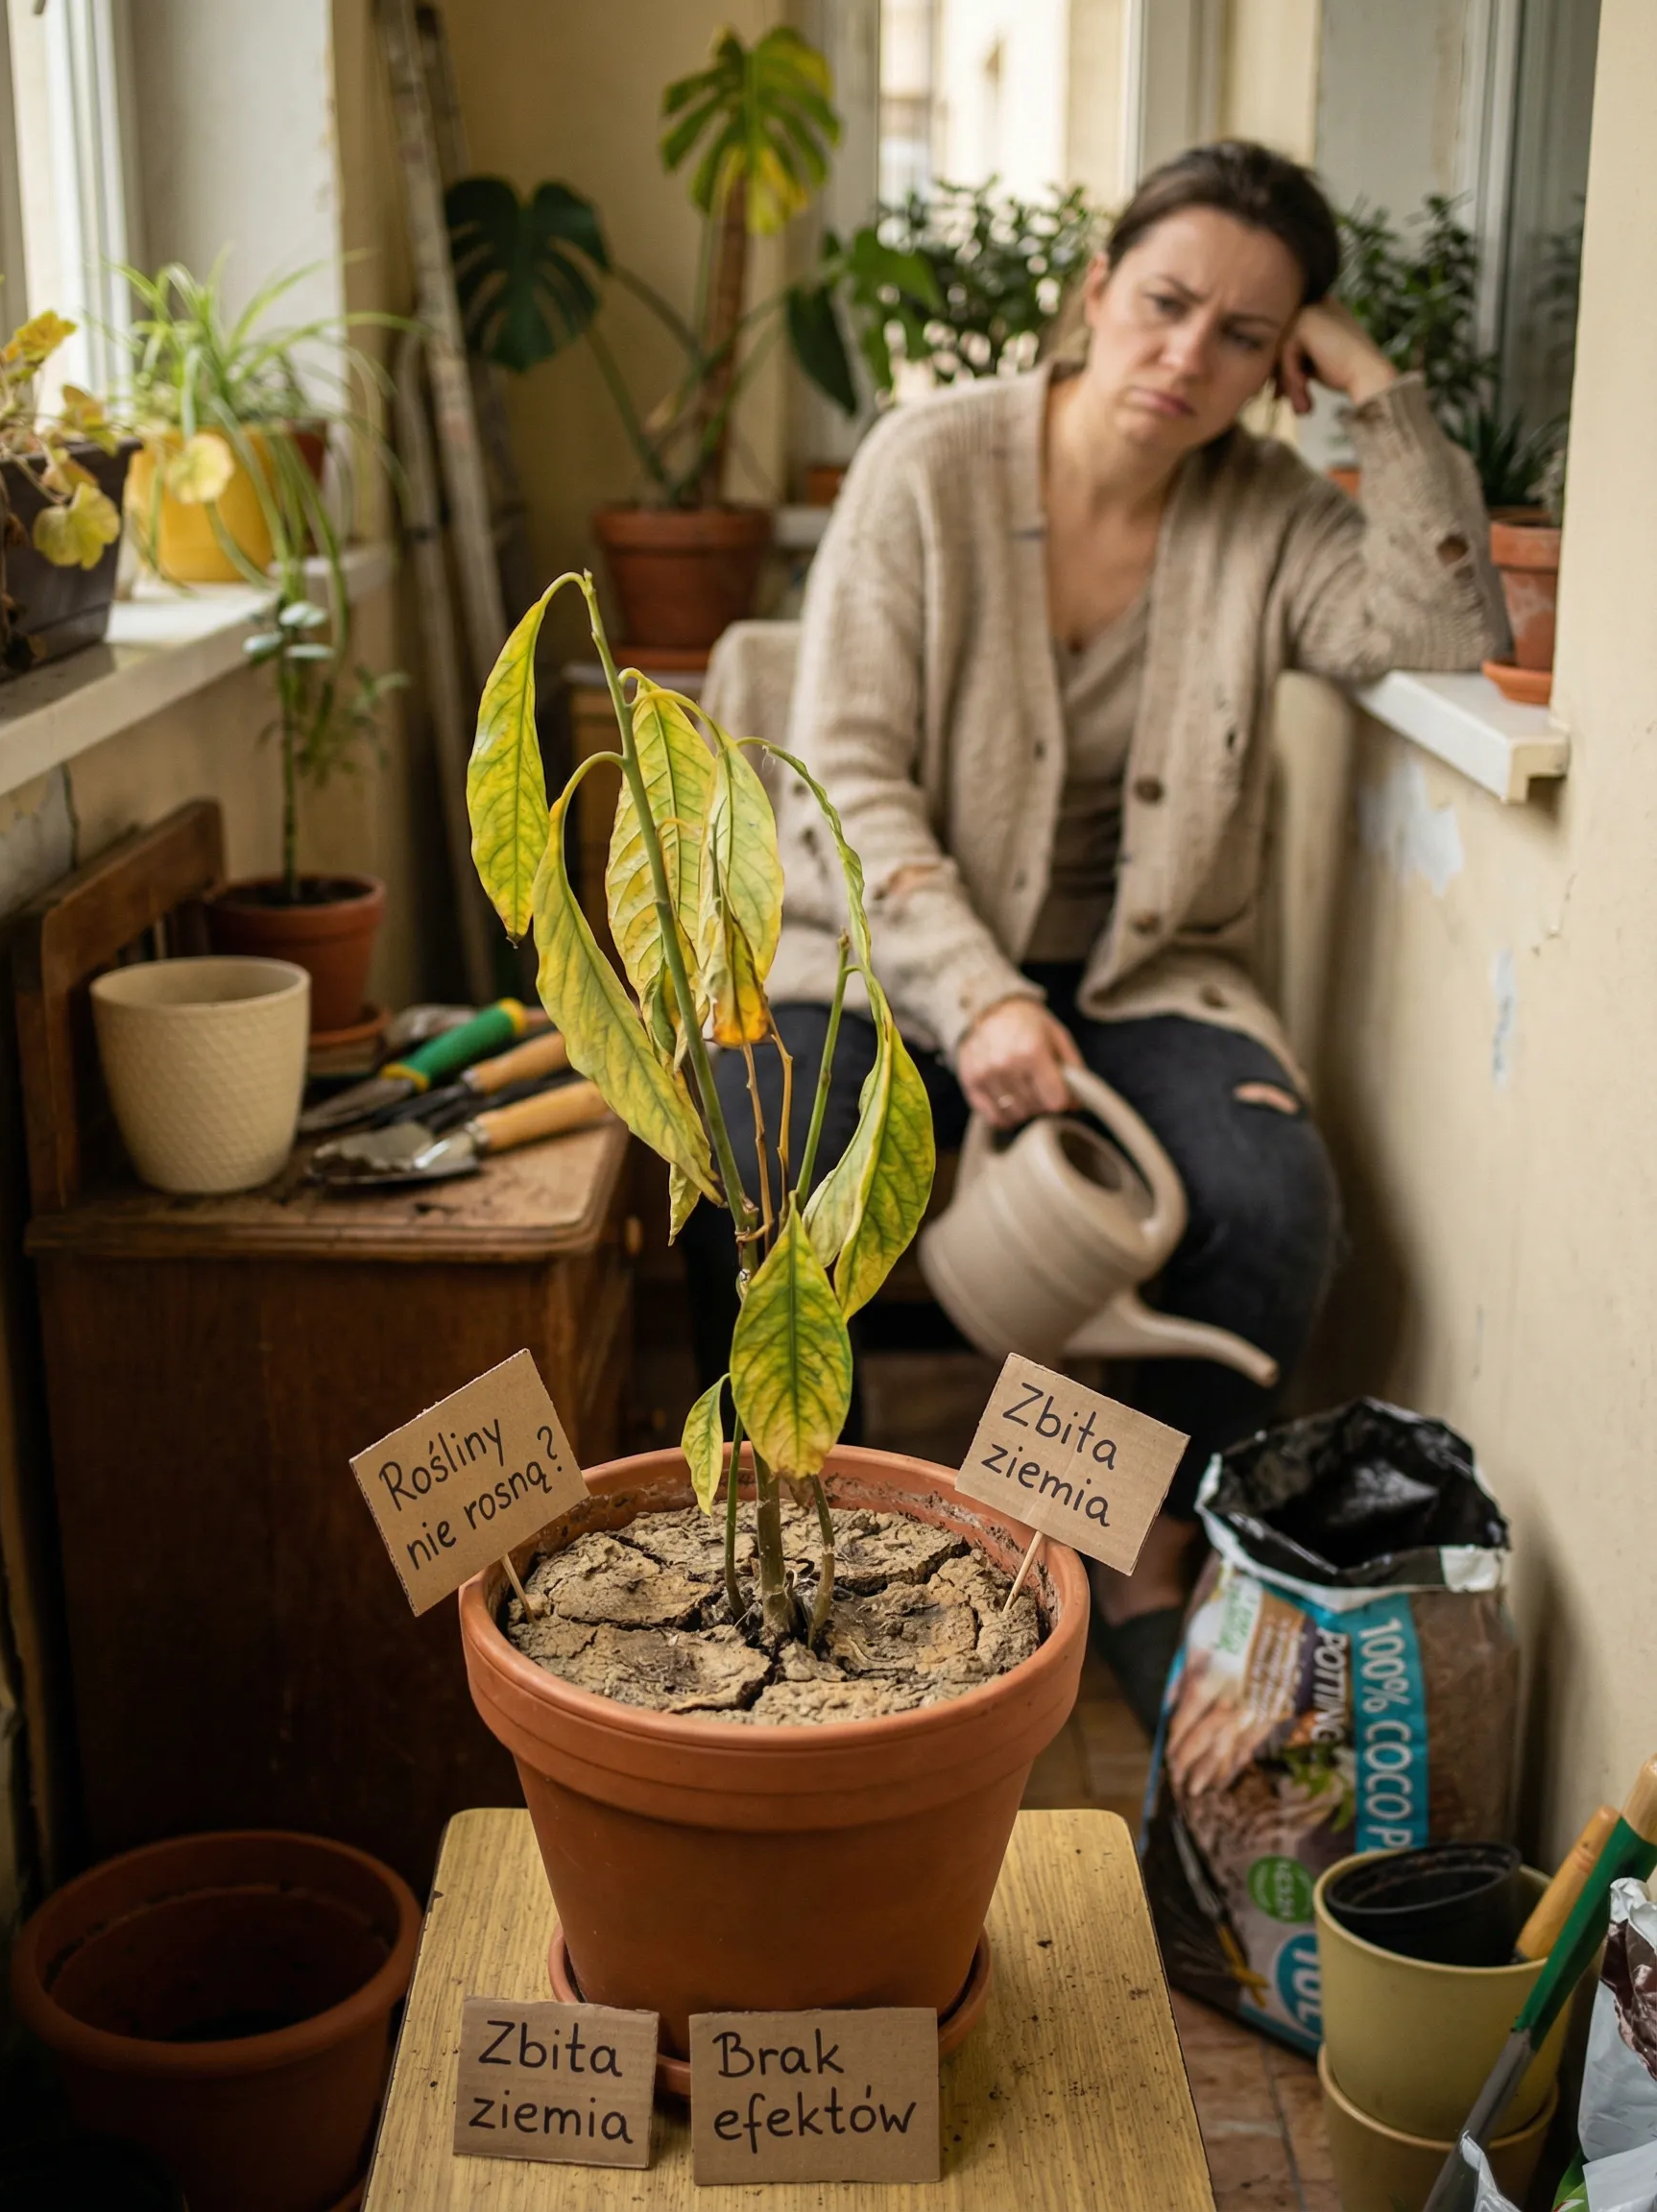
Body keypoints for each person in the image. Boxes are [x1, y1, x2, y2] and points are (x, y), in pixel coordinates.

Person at [681, 140, 1508, 1729]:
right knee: (769, 1137)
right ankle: (807, 1516)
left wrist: (1377, 392)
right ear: (1096, 290)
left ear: (1281, 369)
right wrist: (979, 994)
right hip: (888, 947)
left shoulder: (1267, 514)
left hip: (1137, 971)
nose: (1188, 356)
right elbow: (843, 774)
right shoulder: (926, 463)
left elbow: (1445, 617)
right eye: (1166, 303)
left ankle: (1134, 1545)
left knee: (1273, 1209)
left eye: (1248, 335)